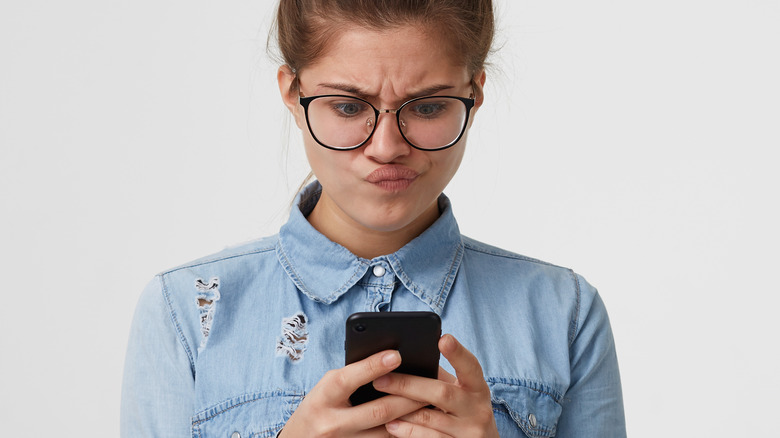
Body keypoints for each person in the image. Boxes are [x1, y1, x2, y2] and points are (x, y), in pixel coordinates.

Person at [120, 0, 626, 436]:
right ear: (294, 96)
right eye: (346, 107)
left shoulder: (565, 314)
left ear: (474, 94)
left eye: (427, 108)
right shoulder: (185, 313)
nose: (387, 148)